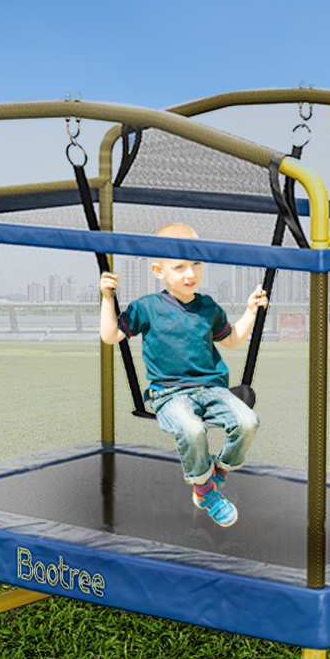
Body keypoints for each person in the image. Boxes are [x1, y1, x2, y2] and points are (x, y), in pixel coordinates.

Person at [99, 223, 268, 527]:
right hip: (170, 394)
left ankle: (218, 472)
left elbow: (231, 339)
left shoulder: (208, 307)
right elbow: (111, 335)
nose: (190, 274)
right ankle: (205, 491)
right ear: (158, 271)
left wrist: (251, 312)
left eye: (197, 264)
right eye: (179, 267)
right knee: (192, 430)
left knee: (248, 423)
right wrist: (107, 299)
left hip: (212, 390)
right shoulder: (147, 308)